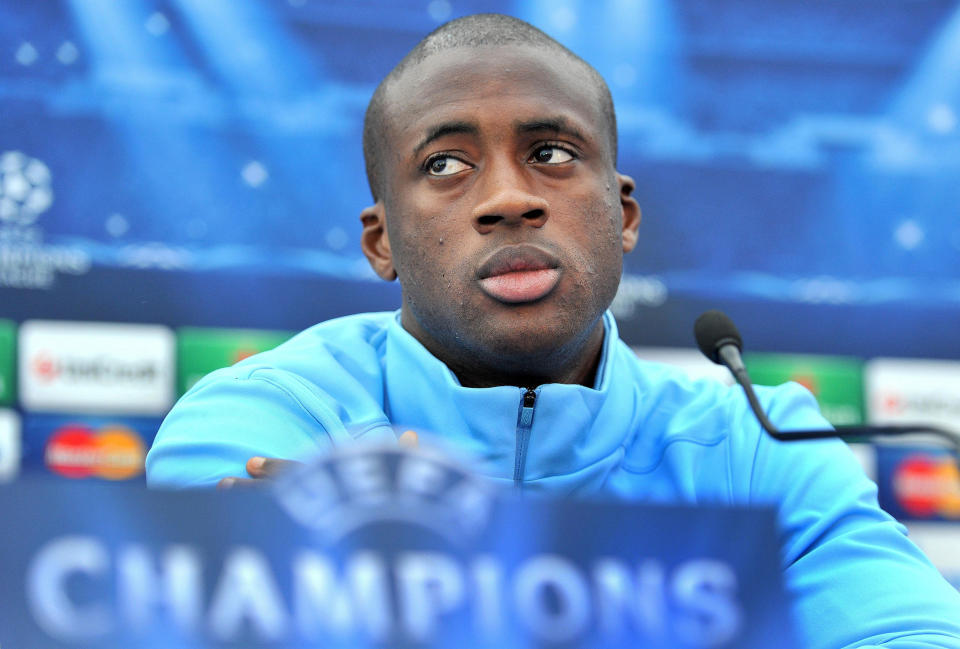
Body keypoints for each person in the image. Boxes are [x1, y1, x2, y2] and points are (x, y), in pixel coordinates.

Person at [147, 13, 960, 648]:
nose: (509, 198)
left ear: (624, 214)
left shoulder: (760, 442)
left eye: (552, 152)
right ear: (381, 242)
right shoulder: (258, 416)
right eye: (444, 165)